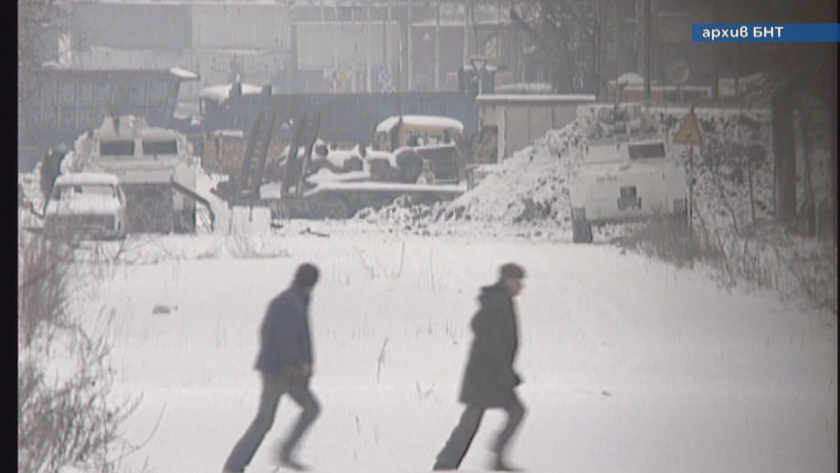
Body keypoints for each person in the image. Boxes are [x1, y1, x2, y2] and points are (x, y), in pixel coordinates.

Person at [223, 264, 322, 473]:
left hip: (278, 370)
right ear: (310, 283)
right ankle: (240, 464)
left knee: (266, 420)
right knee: (274, 418)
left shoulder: (291, 300)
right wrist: (298, 363)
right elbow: (285, 338)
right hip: (282, 372)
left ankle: (237, 465)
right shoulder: (291, 304)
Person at [433, 263, 528, 472]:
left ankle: (451, 463)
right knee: (477, 420)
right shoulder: (499, 303)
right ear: (506, 280)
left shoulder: (501, 301)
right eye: (517, 281)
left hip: (490, 375)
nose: (520, 285)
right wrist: (505, 374)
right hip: (486, 377)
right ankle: (447, 464)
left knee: (483, 418)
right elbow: (492, 343)